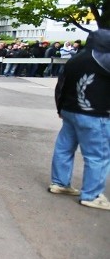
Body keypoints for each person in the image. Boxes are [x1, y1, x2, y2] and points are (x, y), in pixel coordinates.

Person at [48, 28, 110, 210]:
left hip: (70, 110)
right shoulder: (104, 59)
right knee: (98, 155)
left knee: (64, 148)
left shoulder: (75, 59)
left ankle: (60, 183)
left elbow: (61, 85)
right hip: (94, 113)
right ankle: (91, 194)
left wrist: (60, 107)